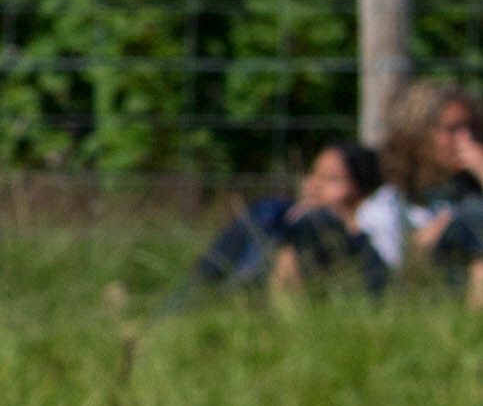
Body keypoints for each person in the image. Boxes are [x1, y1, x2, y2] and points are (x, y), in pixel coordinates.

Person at [180, 140, 385, 301]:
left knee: (277, 215)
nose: (314, 185)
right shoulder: (283, 217)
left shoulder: (368, 235)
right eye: (314, 174)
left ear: (363, 187)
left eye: (332, 178)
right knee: (268, 212)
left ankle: (227, 296)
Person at [383, 78, 483, 300]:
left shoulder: (474, 189)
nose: (467, 138)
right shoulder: (390, 201)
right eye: (453, 129)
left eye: (471, 127)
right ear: (417, 134)